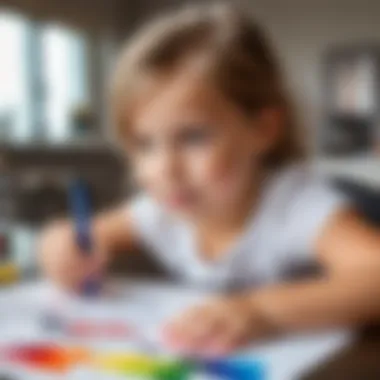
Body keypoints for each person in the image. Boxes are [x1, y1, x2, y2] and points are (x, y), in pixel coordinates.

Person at [39, 2, 380, 356]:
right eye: (144, 144)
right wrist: (58, 247)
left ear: (263, 129)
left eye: (193, 137)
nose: (165, 170)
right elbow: (81, 236)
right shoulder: (161, 212)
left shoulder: (293, 202)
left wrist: (261, 311)